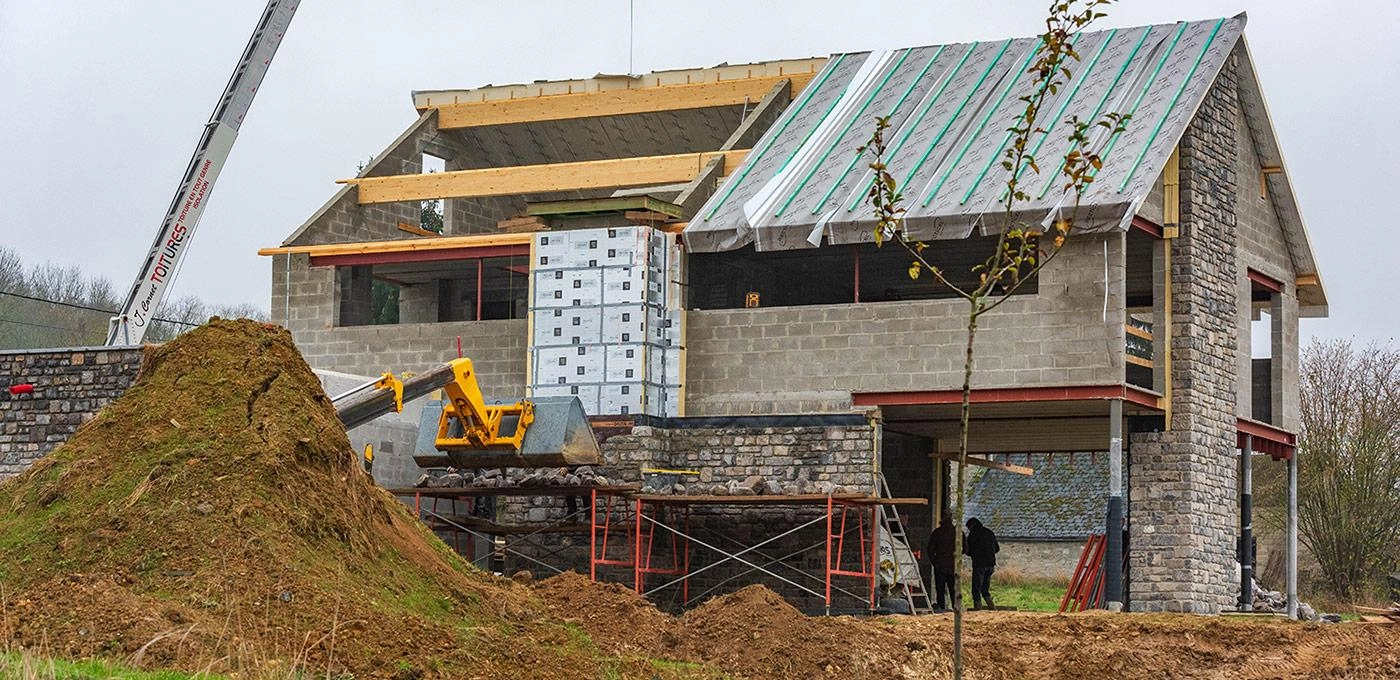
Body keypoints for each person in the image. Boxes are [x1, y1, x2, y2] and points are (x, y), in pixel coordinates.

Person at [964, 517, 1000, 610]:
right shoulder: (989, 533)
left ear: (971, 526)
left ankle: (978, 609)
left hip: (979, 564)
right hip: (991, 564)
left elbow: (968, 549)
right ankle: (992, 608)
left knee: (976, 588)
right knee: (985, 589)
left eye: (968, 528)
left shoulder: (973, 534)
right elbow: (997, 548)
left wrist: (973, 554)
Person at [926, 511, 957, 611]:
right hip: (953, 566)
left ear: (942, 519)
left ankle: (941, 609)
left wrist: (935, 562)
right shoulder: (958, 532)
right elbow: (965, 548)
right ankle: (955, 607)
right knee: (954, 589)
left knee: (940, 589)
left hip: (940, 566)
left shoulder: (937, 532)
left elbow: (930, 549)